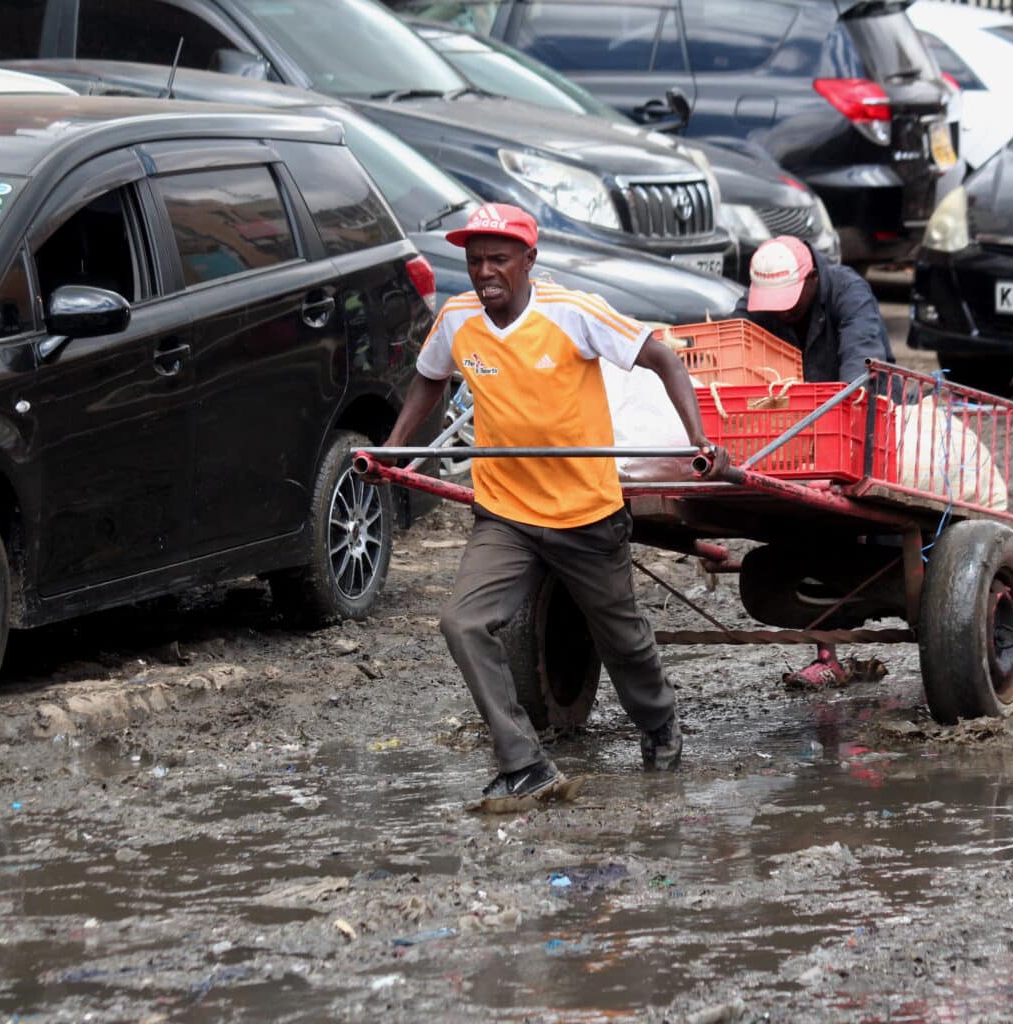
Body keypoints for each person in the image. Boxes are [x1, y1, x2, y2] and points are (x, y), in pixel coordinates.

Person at [381, 203, 730, 800]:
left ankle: (659, 724)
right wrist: (393, 450)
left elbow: (661, 356)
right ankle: (524, 761)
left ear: (529, 261)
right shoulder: (458, 319)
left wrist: (699, 439)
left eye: (498, 259)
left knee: (621, 639)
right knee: (463, 623)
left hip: (584, 512)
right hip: (506, 514)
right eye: (474, 261)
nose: (484, 272)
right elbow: (430, 378)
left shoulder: (573, 312)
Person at [733, 236, 895, 688]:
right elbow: (733, 360)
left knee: (854, 532)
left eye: (789, 301)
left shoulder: (848, 293)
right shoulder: (755, 307)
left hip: (858, 426)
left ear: (811, 280)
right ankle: (828, 653)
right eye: (772, 303)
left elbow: (863, 365)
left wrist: (841, 422)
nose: (781, 312)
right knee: (799, 535)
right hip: (789, 438)